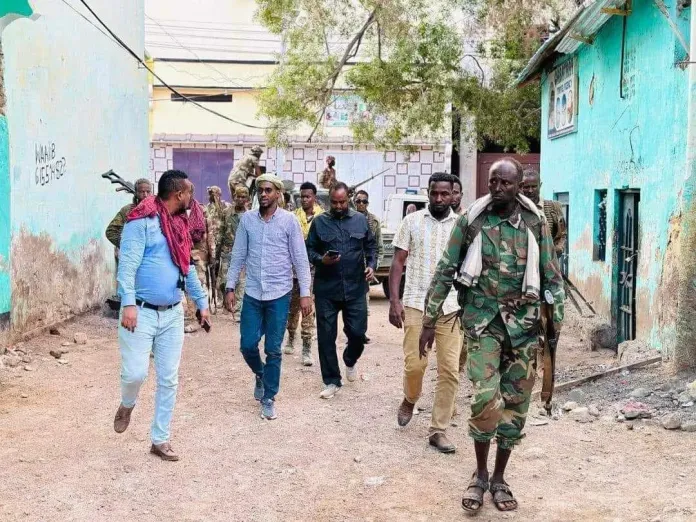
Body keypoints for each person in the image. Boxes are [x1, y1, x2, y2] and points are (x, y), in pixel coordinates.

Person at [419, 158, 564, 512]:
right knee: (485, 399)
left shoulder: (535, 222)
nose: (498, 189)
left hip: (524, 327)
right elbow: (446, 269)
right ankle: (480, 475)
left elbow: (551, 276)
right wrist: (429, 319)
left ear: (518, 186)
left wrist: (554, 328)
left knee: (516, 405)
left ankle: (499, 477)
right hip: (482, 323)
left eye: (506, 183)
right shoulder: (472, 220)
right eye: (493, 182)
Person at [113, 170, 210, 462]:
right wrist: (128, 303)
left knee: (169, 378)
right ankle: (127, 403)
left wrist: (201, 302)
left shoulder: (179, 224)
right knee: (135, 373)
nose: (192, 197)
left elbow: (186, 267)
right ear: (179, 194)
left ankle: (160, 439)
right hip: (140, 312)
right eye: (189, 192)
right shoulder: (141, 221)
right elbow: (126, 267)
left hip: (172, 314)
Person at [224, 174, 312, 421]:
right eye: (260, 190)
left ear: (278, 194)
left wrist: (305, 293)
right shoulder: (247, 220)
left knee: (273, 349)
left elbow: (300, 259)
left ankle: (269, 397)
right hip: (253, 292)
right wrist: (229, 286)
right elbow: (238, 255)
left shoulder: (289, 221)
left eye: (268, 190)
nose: (263, 194)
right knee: (247, 344)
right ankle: (261, 374)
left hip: (279, 294)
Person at [388, 173, 462, 453]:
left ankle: (438, 429)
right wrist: (394, 301)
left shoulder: (462, 226)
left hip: (451, 306)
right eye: (434, 193)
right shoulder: (412, 221)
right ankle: (410, 398)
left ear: (453, 194)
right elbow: (398, 262)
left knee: (449, 370)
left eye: (445, 193)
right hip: (416, 303)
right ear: (428, 193)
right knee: (415, 365)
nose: (439, 198)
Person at [306, 182, 377, 399]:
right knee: (326, 336)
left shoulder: (360, 220)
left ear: (349, 200)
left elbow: (371, 246)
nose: (338, 206)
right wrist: (322, 260)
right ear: (330, 201)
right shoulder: (319, 222)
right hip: (327, 289)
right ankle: (331, 380)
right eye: (335, 202)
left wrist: (371, 265)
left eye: (342, 202)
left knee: (358, 333)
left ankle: (350, 359)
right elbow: (309, 249)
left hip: (355, 288)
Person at [284, 182, 323, 366]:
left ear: (314, 197)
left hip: (314, 270)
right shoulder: (293, 216)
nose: (304, 199)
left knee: (308, 309)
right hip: (293, 270)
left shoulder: (322, 217)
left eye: (308, 196)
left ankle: (307, 348)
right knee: (292, 307)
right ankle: (291, 337)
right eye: (302, 196)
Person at [216, 186, 249, 321]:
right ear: (234, 197)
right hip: (227, 252)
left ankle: (238, 310)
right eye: (238, 196)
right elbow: (220, 232)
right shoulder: (226, 213)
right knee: (224, 281)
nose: (240, 199)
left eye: (243, 197)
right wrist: (216, 252)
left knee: (241, 282)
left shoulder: (250, 215)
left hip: (243, 254)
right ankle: (227, 303)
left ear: (247, 199)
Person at [520, 169, 567, 255]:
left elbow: (562, 235)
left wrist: (557, 249)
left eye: (534, 186)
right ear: (520, 187)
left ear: (540, 185)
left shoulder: (553, 207)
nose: (530, 191)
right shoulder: (515, 209)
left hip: (546, 259)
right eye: (526, 187)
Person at [105, 178, 153, 261]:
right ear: (136, 193)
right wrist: (127, 246)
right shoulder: (127, 210)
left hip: (152, 257)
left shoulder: (157, 210)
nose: (145, 195)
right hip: (133, 258)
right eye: (142, 192)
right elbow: (111, 231)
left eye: (148, 192)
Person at [354, 190, 383, 320]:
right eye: (358, 201)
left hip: (366, 264)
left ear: (367, 203)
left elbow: (379, 246)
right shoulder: (348, 218)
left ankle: (362, 326)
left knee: (364, 299)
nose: (361, 204)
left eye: (364, 201)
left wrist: (374, 266)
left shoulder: (374, 221)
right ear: (354, 202)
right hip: (352, 263)